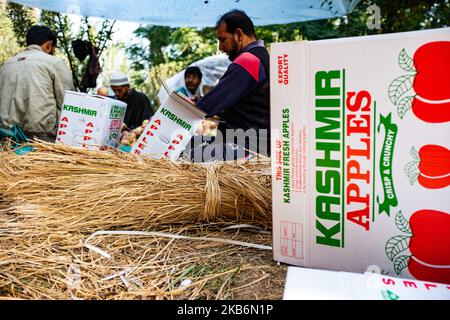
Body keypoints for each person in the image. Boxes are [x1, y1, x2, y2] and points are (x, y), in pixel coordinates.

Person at [195, 10, 270, 161]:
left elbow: (210, 104)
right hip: (254, 143)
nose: (221, 47)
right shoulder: (264, 57)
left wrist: (188, 107)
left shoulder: (248, 61)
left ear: (239, 34)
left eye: (223, 39)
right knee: (195, 144)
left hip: (249, 147)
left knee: (188, 155)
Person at [0, 25, 74, 142]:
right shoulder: (54, 63)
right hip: (40, 139)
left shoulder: (7, 65)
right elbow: (69, 104)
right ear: (49, 45)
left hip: (7, 137)